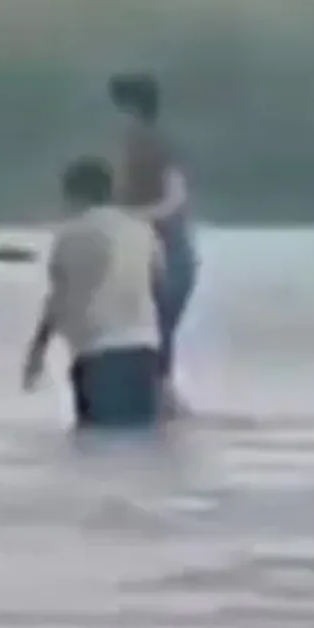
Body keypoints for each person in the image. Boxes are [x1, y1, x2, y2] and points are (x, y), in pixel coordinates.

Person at [22, 156, 164, 431]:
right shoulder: (141, 230)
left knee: (97, 445)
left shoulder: (74, 234)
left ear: (74, 194)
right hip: (144, 351)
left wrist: (37, 353)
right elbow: (160, 285)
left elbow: (59, 299)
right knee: (143, 445)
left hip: (98, 356)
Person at [110, 72, 197, 418]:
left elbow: (175, 198)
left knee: (156, 342)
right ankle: (162, 417)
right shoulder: (133, 148)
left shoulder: (158, 145)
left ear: (132, 109)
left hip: (169, 255)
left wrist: (133, 217)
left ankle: (165, 418)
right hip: (146, 255)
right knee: (151, 344)